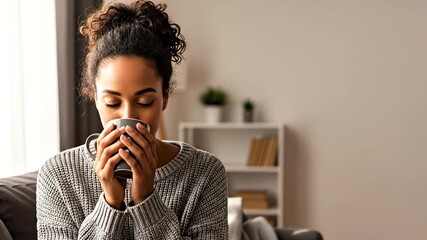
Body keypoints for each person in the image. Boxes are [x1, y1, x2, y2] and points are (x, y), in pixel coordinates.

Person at [36, 1, 228, 239]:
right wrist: (110, 202)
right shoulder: (58, 175)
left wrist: (146, 199)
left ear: (165, 97)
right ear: (95, 98)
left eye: (145, 101)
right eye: (112, 103)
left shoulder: (205, 173)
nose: (128, 116)